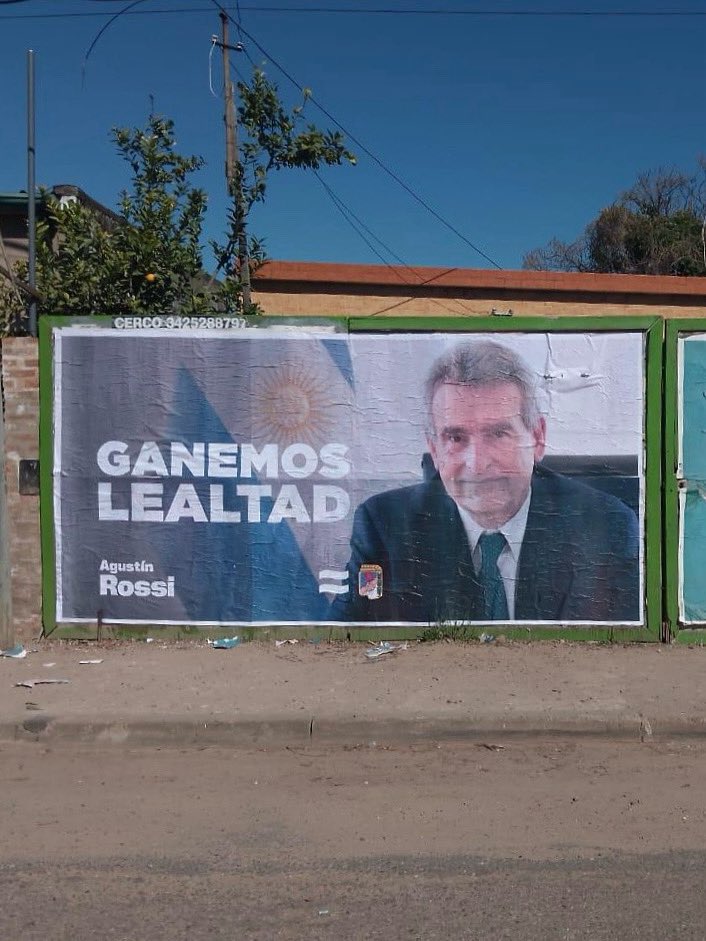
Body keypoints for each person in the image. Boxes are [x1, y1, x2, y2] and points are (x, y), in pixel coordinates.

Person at [330, 339, 640, 624]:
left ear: (538, 438)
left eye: (498, 434)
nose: (477, 464)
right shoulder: (384, 526)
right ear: (434, 449)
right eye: (455, 437)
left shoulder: (606, 526)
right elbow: (345, 638)